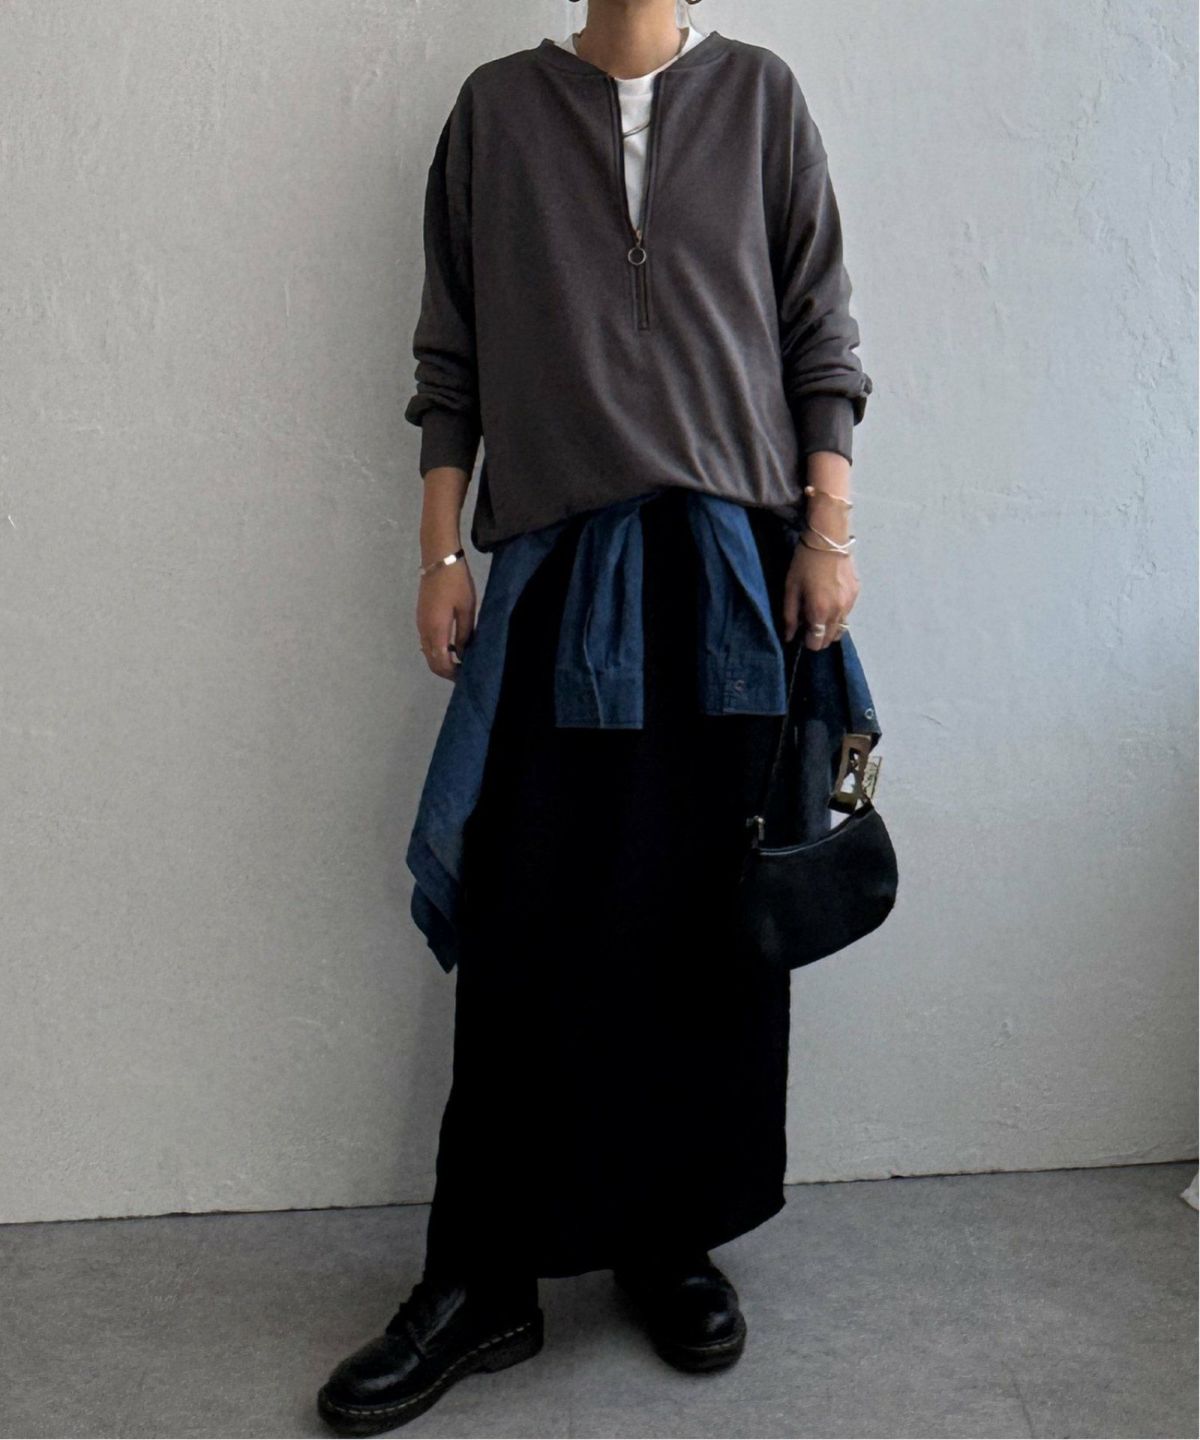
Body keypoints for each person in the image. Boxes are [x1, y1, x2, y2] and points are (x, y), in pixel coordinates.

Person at [317, 1, 872, 1432]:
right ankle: (483, 1276)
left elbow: (819, 330)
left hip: (732, 578)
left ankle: (667, 1237)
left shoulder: (762, 99)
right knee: (529, 920)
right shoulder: (498, 113)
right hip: (561, 574)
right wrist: (439, 554)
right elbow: (453, 356)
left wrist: (829, 531)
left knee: (709, 922)